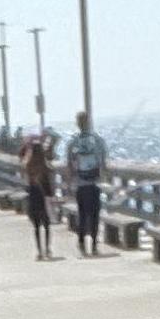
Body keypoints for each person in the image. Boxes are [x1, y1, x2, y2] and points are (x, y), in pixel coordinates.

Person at [64, 109, 109, 255]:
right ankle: (95, 245)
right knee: (95, 215)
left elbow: (69, 166)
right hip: (94, 184)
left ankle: (82, 243)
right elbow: (104, 164)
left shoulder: (73, 142)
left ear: (77, 124)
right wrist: (105, 179)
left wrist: (69, 184)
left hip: (80, 185)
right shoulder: (97, 141)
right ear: (89, 122)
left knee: (82, 214)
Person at [19, 131, 59, 261]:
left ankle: (39, 252)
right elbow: (51, 171)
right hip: (43, 194)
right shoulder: (43, 163)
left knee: (36, 226)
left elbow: (23, 168)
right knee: (46, 224)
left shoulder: (28, 164)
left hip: (33, 193)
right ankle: (47, 249)